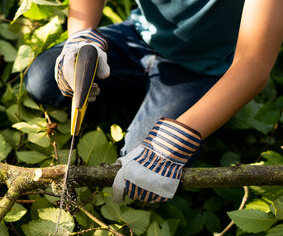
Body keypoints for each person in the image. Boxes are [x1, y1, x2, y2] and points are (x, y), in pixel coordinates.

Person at [24, 0, 283, 203]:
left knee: (137, 176)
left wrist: (178, 139)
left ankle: (194, 113)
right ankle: (132, 103)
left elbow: (253, 63)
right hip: (137, 37)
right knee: (43, 79)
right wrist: (80, 38)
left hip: (201, 68)